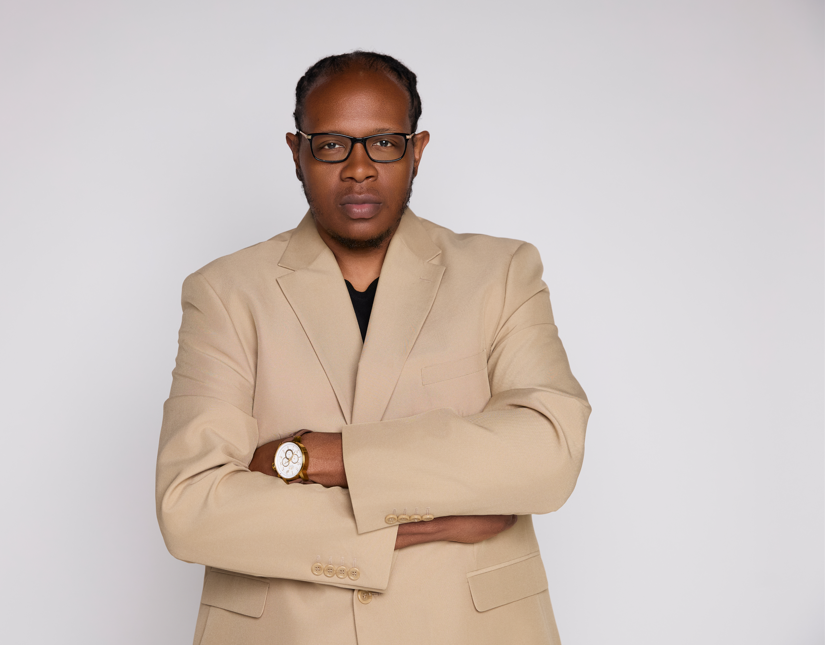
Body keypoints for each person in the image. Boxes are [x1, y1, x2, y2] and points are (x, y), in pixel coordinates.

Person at [156, 51, 590, 645]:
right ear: (296, 151)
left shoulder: (501, 273)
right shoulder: (225, 292)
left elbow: (549, 451)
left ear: (417, 150)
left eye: (384, 143)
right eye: (332, 144)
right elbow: (190, 505)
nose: (359, 169)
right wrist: (413, 521)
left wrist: (319, 457)